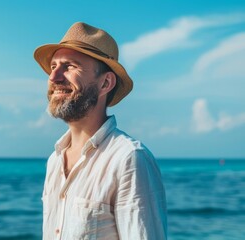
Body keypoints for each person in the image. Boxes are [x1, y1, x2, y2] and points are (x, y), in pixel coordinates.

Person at [33, 22, 167, 239]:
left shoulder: (129, 158)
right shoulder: (54, 161)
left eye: (69, 66)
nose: (53, 77)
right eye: (53, 66)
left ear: (105, 83)